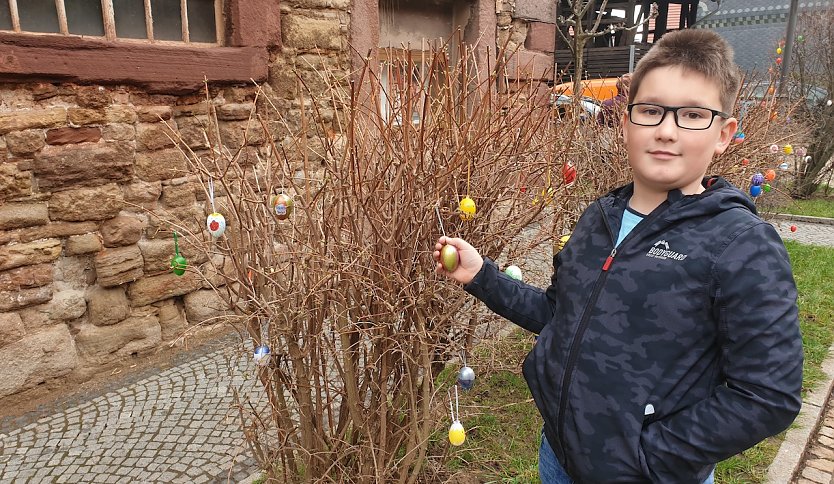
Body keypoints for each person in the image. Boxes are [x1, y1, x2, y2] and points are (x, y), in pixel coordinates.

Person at [434, 29, 802, 483]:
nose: (666, 130)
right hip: (559, 456)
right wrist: (482, 276)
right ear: (626, 123)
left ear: (724, 134)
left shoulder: (741, 244)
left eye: (691, 115)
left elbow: (768, 395)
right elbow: (560, 314)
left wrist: (646, 456)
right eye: (651, 111)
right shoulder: (600, 217)